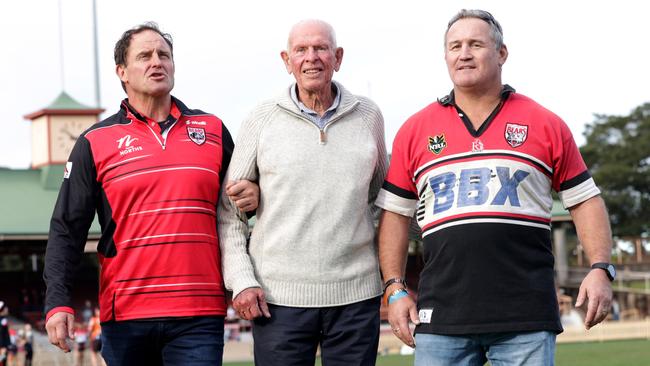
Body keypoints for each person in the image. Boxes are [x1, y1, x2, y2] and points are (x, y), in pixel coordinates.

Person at [376, 9, 614, 365]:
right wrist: (395, 289)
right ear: (445, 57)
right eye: (455, 46)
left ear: (502, 53)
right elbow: (395, 217)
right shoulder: (415, 130)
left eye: (475, 44)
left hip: (525, 316)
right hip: (441, 315)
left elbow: (585, 202)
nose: (464, 53)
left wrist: (600, 267)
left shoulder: (545, 123)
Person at [43, 22, 258, 366]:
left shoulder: (214, 130)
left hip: (199, 313)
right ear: (122, 72)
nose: (157, 62)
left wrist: (254, 193)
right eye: (144, 56)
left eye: (164, 55)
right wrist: (58, 302)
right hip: (126, 315)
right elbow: (67, 229)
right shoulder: (94, 142)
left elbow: (241, 205)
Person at [218, 19, 388, 366]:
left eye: (321, 48)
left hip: (356, 299)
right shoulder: (261, 118)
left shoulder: (368, 116)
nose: (312, 58)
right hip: (278, 301)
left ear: (337, 57)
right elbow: (229, 212)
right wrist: (241, 280)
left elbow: (385, 202)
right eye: (301, 50)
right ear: (286, 60)